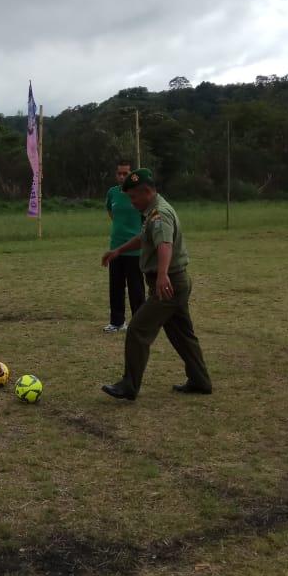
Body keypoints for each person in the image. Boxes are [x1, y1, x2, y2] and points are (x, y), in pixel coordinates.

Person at [100, 168, 212, 401]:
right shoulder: (152, 212)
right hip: (175, 282)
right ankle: (200, 380)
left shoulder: (159, 214)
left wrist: (162, 275)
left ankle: (129, 385)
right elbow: (144, 238)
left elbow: (164, 244)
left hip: (168, 283)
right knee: (182, 335)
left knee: (138, 329)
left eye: (134, 198)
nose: (132, 203)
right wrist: (119, 250)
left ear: (147, 191)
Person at [103, 159, 145, 332]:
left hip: (135, 249)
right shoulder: (112, 193)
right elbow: (111, 211)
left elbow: (146, 216)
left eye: (125, 173)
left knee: (136, 288)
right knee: (116, 287)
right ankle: (117, 322)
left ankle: (140, 322)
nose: (122, 177)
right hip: (115, 248)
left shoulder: (139, 193)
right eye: (119, 173)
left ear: (132, 175)